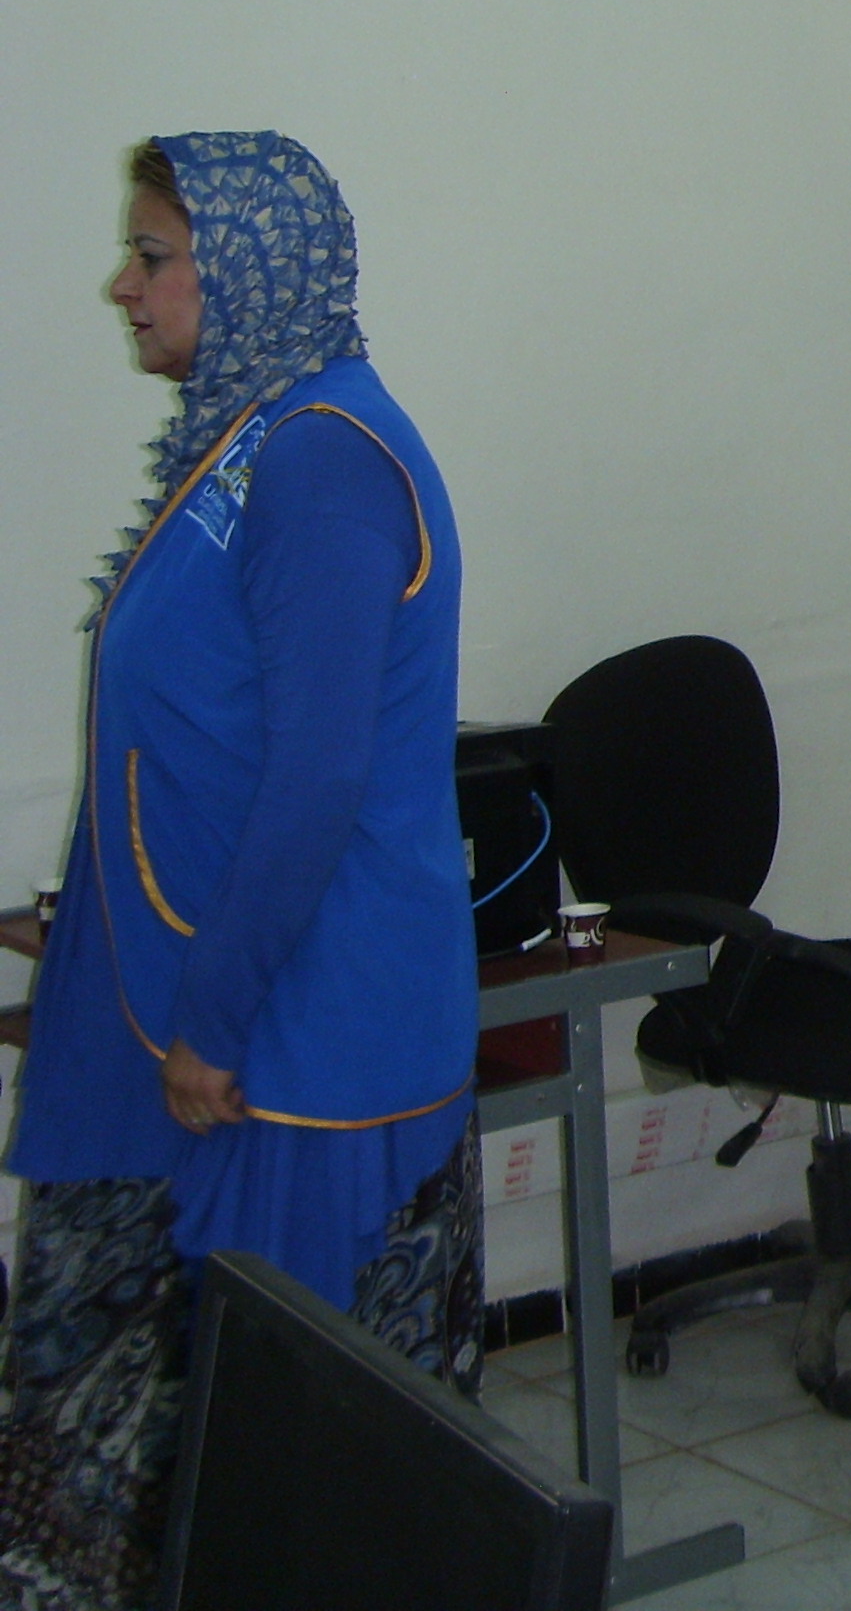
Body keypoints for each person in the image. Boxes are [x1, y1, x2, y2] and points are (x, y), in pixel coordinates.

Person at [1, 134, 480, 1610]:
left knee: (280, 1471)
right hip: (191, 991)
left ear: (252, 270)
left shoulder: (324, 465)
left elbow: (320, 777)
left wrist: (211, 1016)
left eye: (153, 257)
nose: (123, 287)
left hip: (290, 1027)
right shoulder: (252, 435)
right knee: (150, 1434)